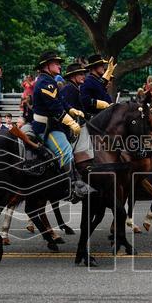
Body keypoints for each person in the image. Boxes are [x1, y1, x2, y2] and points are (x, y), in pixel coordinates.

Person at [30, 50, 94, 202]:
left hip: (53, 125)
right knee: (66, 151)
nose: (59, 66)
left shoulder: (50, 80)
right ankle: (71, 187)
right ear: (47, 65)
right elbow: (55, 109)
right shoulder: (46, 82)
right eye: (56, 63)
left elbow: (61, 102)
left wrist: (72, 110)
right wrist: (71, 123)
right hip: (45, 128)